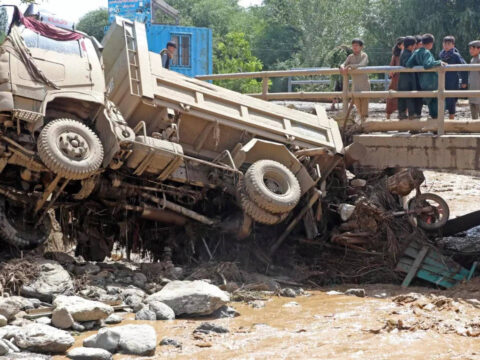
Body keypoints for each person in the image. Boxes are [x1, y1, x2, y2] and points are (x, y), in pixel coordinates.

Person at [406, 34, 446, 119]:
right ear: (430, 43)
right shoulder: (427, 52)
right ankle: (438, 126)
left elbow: (408, 64)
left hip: (423, 82)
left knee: (431, 103)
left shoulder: (416, 52)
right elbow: (427, 65)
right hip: (432, 81)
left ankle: (434, 125)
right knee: (438, 103)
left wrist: (418, 66)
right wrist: (438, 62)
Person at [340, 39, 370, 122]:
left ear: (361, 47)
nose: (354, 47)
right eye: (353, 46)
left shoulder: (364, 55)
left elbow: (362, 64)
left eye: (356, 46)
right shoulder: (350, 56)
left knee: (364, 104)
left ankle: (365, 122)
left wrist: (350, 66)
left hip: (364, 84)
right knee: (357, 104)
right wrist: (342, 66)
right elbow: (343, 64)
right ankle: (361, 121)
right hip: (355, 85)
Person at [439, 36, 468, 119]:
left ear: (453, 45)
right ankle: (441, 120)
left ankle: (451, 120)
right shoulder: (441, 54)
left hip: (452, 81)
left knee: (451, 100)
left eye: (448, 44)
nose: (446, 46)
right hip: (442, 80)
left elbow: (464, 67)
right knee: (441, 99)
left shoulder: (455, 55)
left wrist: (464, 81)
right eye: (444, 43)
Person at [398, 36, 418, 119]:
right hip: (408, 80)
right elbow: (407, 64)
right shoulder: (408, 54)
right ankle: (411, 122)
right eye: (414, 45)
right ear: (410, 46)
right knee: (409, 98)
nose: (415, 47)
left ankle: (402, 122)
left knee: (403, 99)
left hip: (404, 80)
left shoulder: (404, 52)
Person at [386, 37, 405, 119]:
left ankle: (402, 117)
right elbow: (391, 68)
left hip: (405, 79)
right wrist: (392, 72)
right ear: (399, 45)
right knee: (391, 98)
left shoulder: (409, 53)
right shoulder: (395, 56)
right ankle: (388, 117)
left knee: (404, 98)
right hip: (396, 79)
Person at [468, 40, 480, 119]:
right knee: (473, 110)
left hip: (478, 90)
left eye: (473, 48)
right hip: (472, 88)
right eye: (470, 49)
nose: (471, 51)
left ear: (479, 49)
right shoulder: (472, 60)